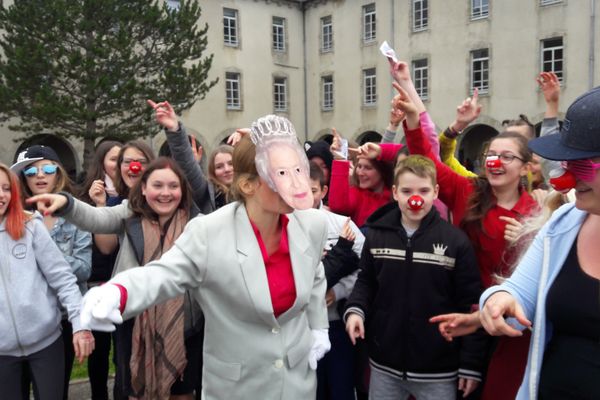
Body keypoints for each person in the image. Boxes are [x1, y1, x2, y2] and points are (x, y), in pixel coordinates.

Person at [30, 114, 331, 400]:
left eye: (298, 171)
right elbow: (164, 273)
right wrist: (118, 292)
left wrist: (318, 327)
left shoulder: (311, 224)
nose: (296, 185)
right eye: (280, 174)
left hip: (296, 385)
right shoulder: (211, 231)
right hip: (237, 387)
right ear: (249, 184)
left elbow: (314, 272)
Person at [393, 82, 539, 400]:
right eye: (492, 155)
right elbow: (425, 160)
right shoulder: (467, 191)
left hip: (509, 326)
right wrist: (415, 119)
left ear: (526, 167)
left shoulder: (538, 213)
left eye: (507, 157)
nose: (495, 162)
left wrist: (532, 238)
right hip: (459, 314)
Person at [479, 87, 600, 399]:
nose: (566, 176)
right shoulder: (564, 224)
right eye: (566, 163)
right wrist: (497, 301)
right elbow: (517, 291)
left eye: (582, 165)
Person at [344, 155, 484, 400]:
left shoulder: (455, 242)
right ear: (395, 192)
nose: (415, 199)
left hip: (439, 369)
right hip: (385, 364)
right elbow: (366, 281)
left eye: (423, 190)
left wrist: (471, 363)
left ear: (435, 192)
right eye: (407, 191)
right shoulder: (377, 235)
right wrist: (356, 310)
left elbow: (470, 303)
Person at [0, 163, 93, 400]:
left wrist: (80, 325)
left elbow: (62, 278)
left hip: (45, 342)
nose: (1, 195)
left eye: (6, 188)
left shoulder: (30, 225)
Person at [309, 162, 364, 400]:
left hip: (336, 323)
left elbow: (365, 269)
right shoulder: (282, 225)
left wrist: (339, 291)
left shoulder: (342, 224)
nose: (306, 197)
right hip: (302, 327)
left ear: (323, 191)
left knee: (341, 387)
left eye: (312, 191)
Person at [77, 140, 124, 400]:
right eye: (112, 159)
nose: (117, 165)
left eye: (122, 159)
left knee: (122, 351)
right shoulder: (88, 195)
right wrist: (99, 203)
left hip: (123, 281)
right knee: (99, 351)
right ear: (101, 163)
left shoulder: (132, 194)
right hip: (97, 281)